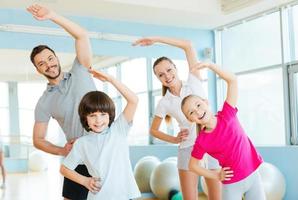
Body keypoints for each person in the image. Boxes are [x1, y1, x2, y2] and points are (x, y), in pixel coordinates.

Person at [133, 37, 221, 200]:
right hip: (188, 149)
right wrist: (174, 139)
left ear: (175, 68)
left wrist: (156, 39)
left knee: (217, 197)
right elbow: (153, 130)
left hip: (212, 145)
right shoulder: (164, 102)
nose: (167, 76)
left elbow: (188, 45)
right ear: (158, 79)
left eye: (169, 70)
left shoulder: (194, 80)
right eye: (161, 74)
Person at [27, 4, 96, 199]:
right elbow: (38, 139)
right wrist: (62, 150)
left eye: (50, 58)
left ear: (56, 57)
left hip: (104, 151)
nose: (49, 64)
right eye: (42, 63)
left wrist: (52, 16)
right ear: (38, 70)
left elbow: (82, 35)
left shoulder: (81, 70)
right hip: (78, 159)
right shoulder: (44, 102)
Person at [181, 62, 265, 200]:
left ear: (206, 102)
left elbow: (232, 80)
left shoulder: (227, 113)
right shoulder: (202, 141)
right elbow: (193, 165)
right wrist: (216, 175)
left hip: (253, 175)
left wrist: (210, 65)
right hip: (232, 185)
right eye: (192, 112)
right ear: (191, 120)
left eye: (198, 105)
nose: (198, 111)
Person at [60, 69, 141, 200]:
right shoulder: (81, 143)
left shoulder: (119, 130)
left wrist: (111, 80)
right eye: (93, 115)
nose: (98, 120)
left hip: (124, 196)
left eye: (103, 114)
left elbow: (134, 100)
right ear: (85, 118)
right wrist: (85, 181)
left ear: (110, 115)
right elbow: (64, 169)